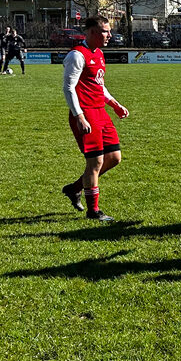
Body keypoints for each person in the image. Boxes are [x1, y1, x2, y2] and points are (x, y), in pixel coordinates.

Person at [60, 16, 129, 222]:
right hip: (86, 113)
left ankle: (74, 188)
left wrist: (115, 104)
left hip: (100, 112)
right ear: (91, 32)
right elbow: (69, 88)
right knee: (96, 161)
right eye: (105, 31)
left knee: (114, 157)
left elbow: (99, 85)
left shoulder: (98, 53)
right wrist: (79, 116)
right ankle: (93, 211)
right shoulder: (76, 55)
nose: (110, 35)